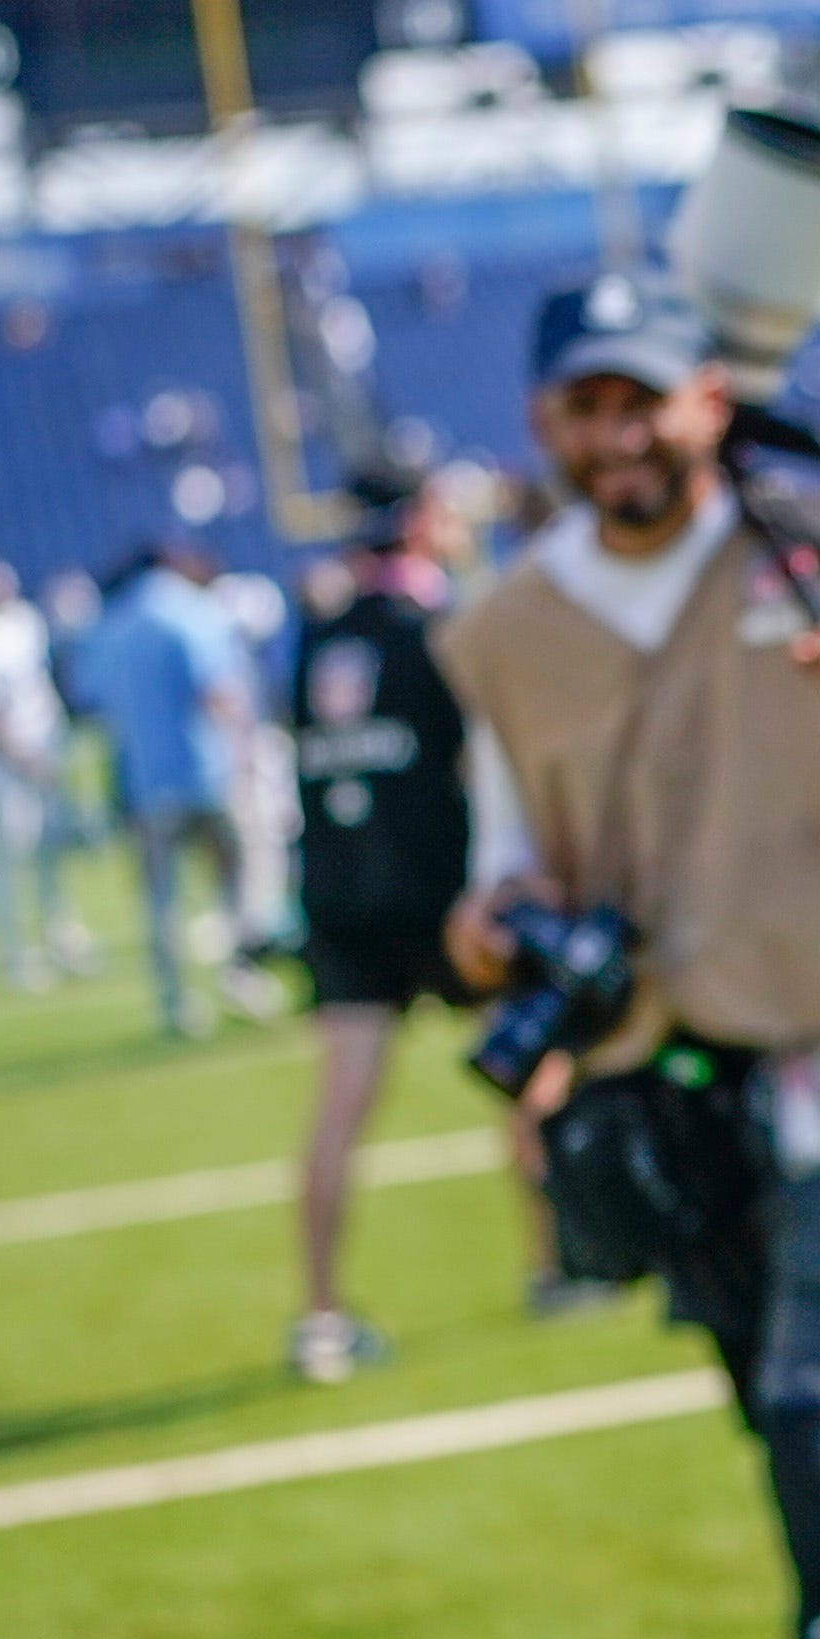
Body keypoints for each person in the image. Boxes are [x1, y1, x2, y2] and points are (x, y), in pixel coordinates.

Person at [439, 273, 820, 1639]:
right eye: (586, 407)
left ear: (707, 397)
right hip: (671, 1087)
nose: (618, 436)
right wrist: (494, 925)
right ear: (543, 425)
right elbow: (491, 882)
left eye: (642, 397)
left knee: (816, 1404)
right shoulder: (503, 633)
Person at [285, 460, 574, 1383]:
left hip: (339, 892)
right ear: (417, 522)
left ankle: (321, 1315)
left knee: (340, 1107)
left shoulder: (318, 632)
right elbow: (484, 768)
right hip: (441, 893)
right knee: (526, 1072)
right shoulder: (438, 628)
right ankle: (556, 1265)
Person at [84, 539, 281, 1037]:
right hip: (205, 772)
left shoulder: (111, 627)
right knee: (238, 877)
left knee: (161, 901)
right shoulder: (192, 613)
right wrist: (249, 753)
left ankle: (174, 1003)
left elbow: (97, 707)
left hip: (145, 783)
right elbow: (218, 692)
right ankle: (242, 976)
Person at [0, 556, 91, 991]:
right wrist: (19, 754)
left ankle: (62, 936)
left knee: (51, 848)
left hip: (43, 746)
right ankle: (15, 950)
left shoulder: (24, 621)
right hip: (1, 760)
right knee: (11, 850)